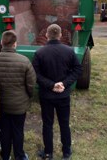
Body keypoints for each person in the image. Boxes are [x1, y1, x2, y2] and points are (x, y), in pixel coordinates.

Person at [32, 24, 82, 160]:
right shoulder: (69, 51)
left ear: (46, 35)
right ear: (60, 35)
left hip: (47, 95)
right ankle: (66, 152)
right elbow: (78, 70)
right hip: (63, 94)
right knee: (64, 123)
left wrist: (51, 85)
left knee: (47, 124)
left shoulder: (40, 53)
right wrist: (64, 84)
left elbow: (35, 74)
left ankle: (48, 153)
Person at [0, 30, 36, 160]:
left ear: (2, 43)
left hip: (1, 103)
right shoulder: (24, 61)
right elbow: (31, 84)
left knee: (4, 130)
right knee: (18, 130)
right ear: (15, 44)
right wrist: (28, 97)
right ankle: (19, 155)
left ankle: (5, 155)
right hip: (19, 104)